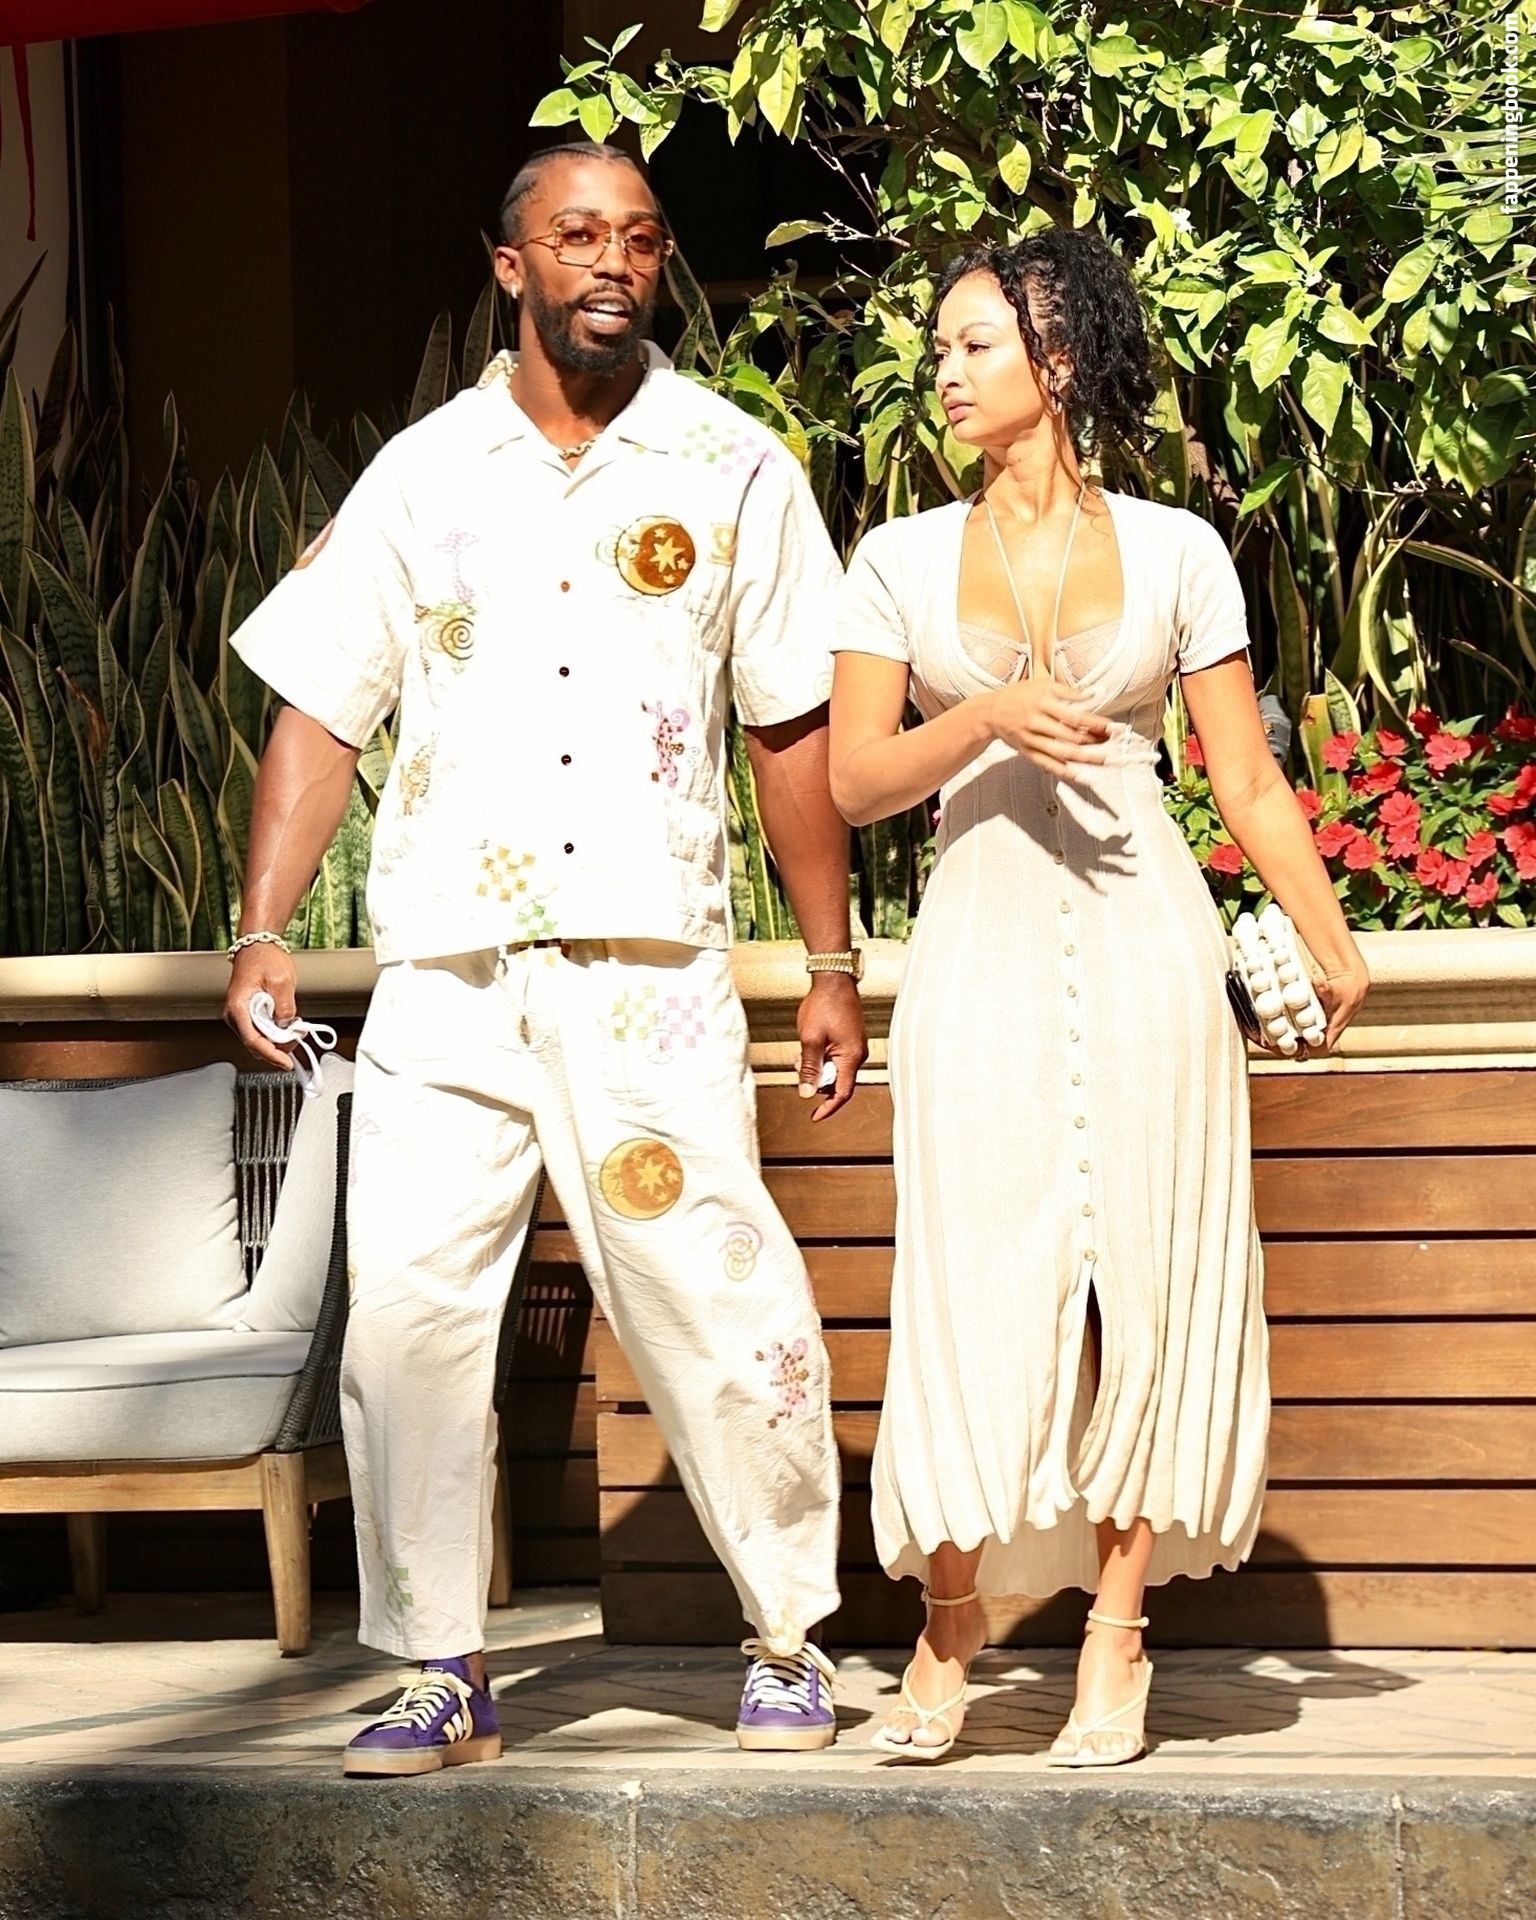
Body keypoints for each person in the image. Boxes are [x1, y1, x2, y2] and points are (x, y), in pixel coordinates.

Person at [224, 140, 867, 1775]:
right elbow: (320, 711)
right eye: (577, 236)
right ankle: (440, 1666)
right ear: (509, 265)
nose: (612, 262)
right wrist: (263, 927)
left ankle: (788, 1635)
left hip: (650, 968)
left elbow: (789, 723)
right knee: (409, 1316)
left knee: (714, 1292)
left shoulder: (733, 465)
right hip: (448, 973)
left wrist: (832, 960)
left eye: (639, 239)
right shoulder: (421, 474)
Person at [828, 232, 1369, 1765]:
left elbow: (1243, 779)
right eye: (941, 346)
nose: (944, 371)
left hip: (1146, 945)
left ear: (1058, 361)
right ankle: (949, 1623)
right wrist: (987, 716)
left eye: (974, 344)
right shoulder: (897, 561)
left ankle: (1116, 1639)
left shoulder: (1182, 550)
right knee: (970, 1281)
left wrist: (1331, 934)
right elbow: (856, 779)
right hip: (977, 951)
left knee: (1148, 1276)